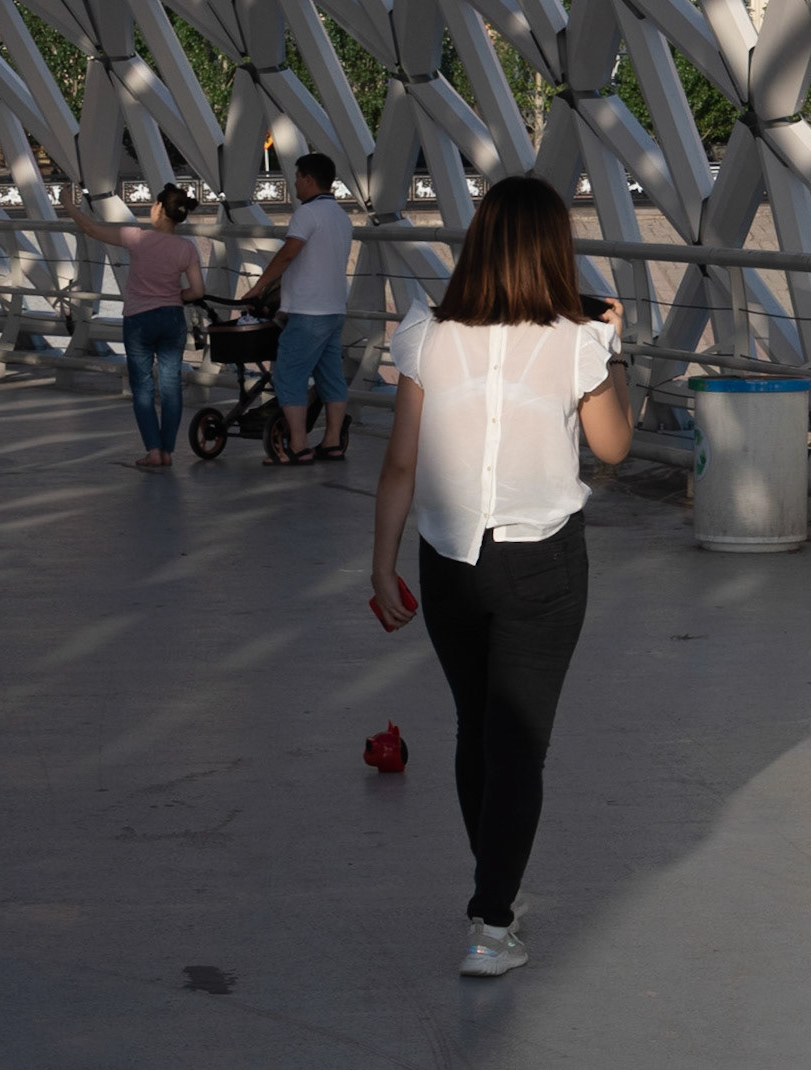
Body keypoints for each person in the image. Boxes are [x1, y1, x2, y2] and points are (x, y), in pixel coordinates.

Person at [371, 175, 634, 976]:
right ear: (556, 248)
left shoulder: (427, 333)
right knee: (519, 745)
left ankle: (495, 893)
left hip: (448, 561)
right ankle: (491, 922)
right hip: (543, 560)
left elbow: (401, 460)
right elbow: (616, 446)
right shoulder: (576, 340)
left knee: (477, 731)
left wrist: (380, 564)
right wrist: (617, 350)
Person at [64, 183, 204, 467]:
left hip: (139, 320)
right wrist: (176, 296)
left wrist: (68, 203)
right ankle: (167, 451)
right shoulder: (186, 248)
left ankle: (153, 451)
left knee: (141, 387)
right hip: (172, 318)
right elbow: (198, 291)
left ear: (159, 209)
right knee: (170, 386)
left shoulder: (136, 238)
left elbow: (91, 229)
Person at [241, 153, 353, 465]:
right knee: (331, 378)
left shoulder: (307, 214)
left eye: (297, 178)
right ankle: (332, 443)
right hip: (334, 309)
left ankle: (298, 445)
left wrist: (259, 286)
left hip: (309, 312)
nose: (294, 185)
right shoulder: (341, 217)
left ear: (307, 178)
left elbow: (289, 254)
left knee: (288, 375)